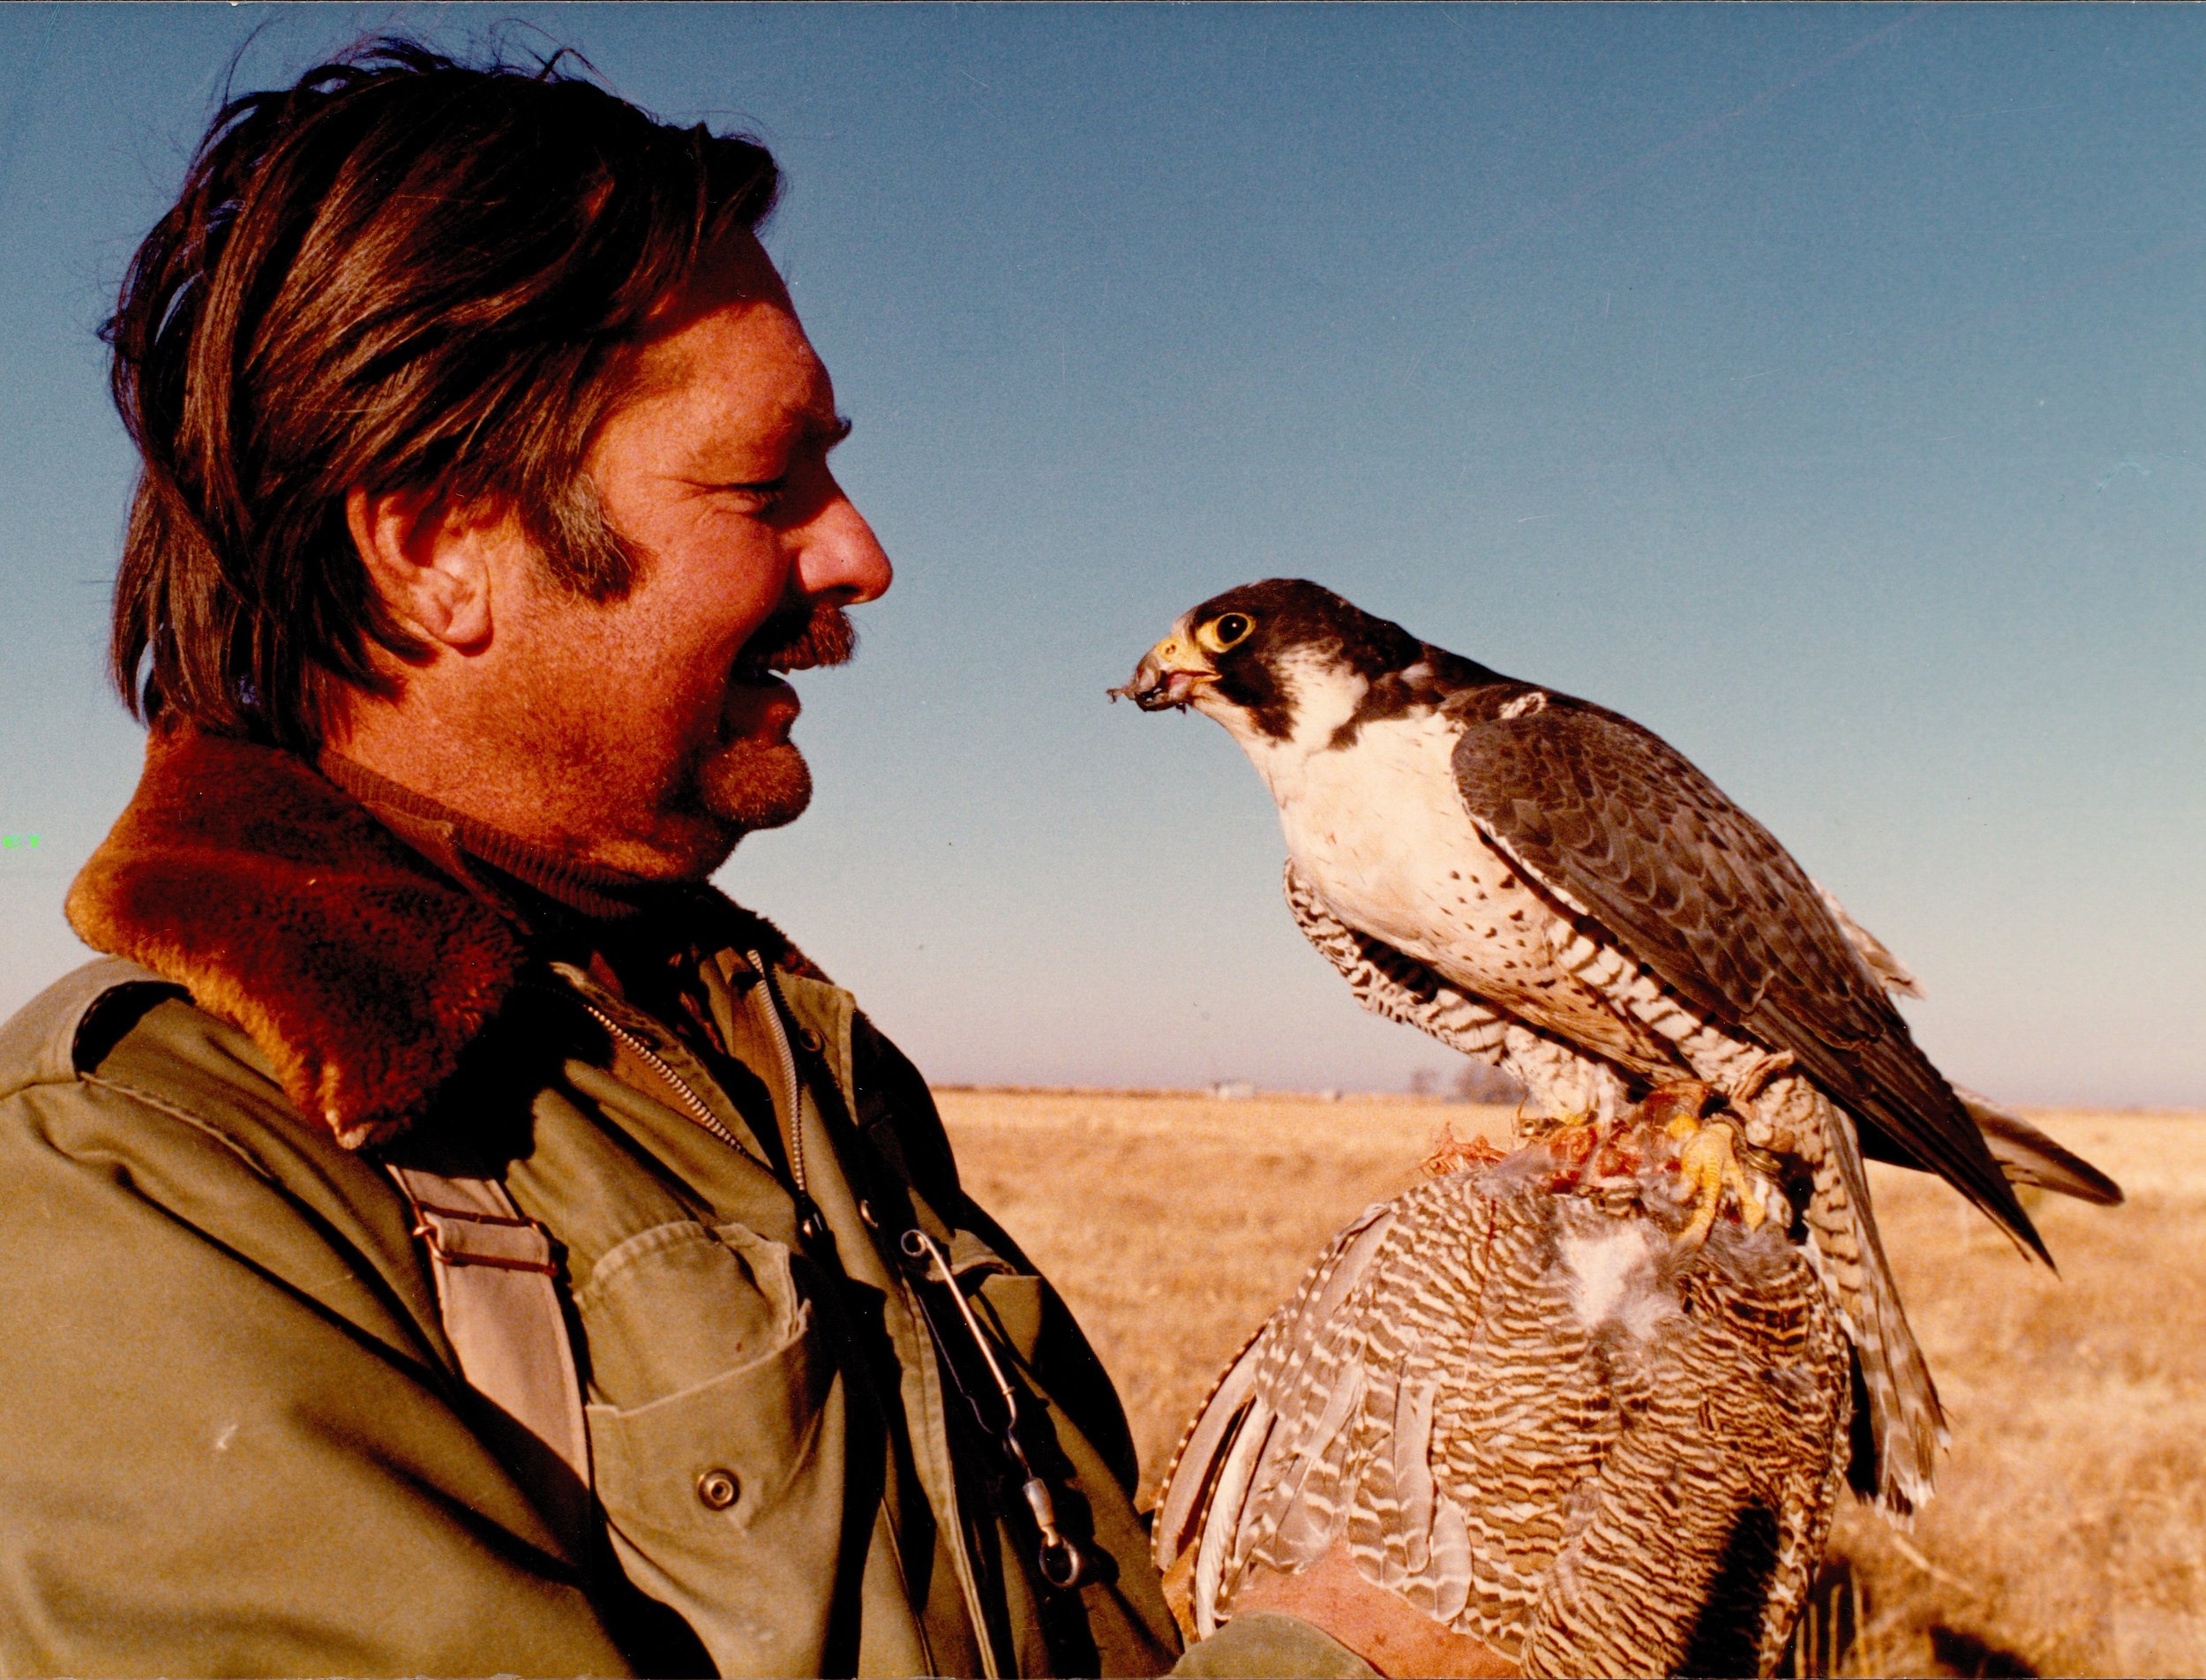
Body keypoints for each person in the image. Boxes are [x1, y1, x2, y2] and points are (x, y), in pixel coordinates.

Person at [0, 40, 1384, 1679]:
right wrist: (1357, 1660)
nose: (860, 552)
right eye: (761, 481)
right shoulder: (145, 1187)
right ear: (439, 547)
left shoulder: (777, 1053)